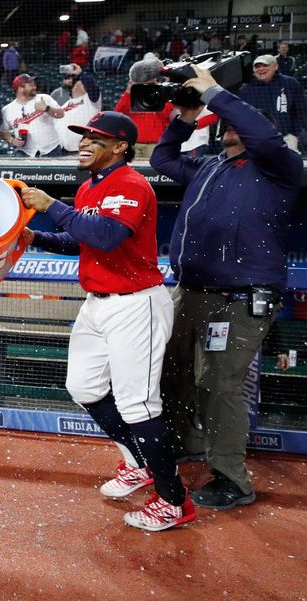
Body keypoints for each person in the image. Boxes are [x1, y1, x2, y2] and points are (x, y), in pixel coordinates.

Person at [18, 111, 195, 531]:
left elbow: (108, 236)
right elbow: (81, 240)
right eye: (82, 136)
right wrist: (36, 237)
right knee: (83, 387)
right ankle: (139, 462)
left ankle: (174, 501)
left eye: (95, 138)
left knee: (137, 403)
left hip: (137, 304)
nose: (83, 142)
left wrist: (51, 206)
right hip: (97, 302)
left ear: (119, 147)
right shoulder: (88, 187)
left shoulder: (131, 184)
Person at [151, 64, 303, 510]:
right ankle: (188, 444)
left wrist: (215, 91)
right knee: (172, 372)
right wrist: (184, 116)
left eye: (240, 122)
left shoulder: (279, 166)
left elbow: (265, 138)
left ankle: (232, 477)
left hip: (240, 296)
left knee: (220, 382)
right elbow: (162, 159)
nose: (233, 128)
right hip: (193, 289)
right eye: (227, 123)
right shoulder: (211, 165)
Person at [239, 54, 307, 151]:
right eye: (257, 67)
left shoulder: (290, 84)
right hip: (255, 139)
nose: (261, 69)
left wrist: (294, 133)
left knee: (286, 166)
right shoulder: (245, 89)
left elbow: (302, 110)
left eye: (265, 65)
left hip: (286, 138)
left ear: (275, 66)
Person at [0, 73, 65, 157]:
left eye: (34, 84)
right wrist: (12, 140)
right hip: (26, 153)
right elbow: (3, 131)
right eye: (31, 85)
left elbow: (61, 114)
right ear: (20, 88)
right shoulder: (7, 110)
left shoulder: (44, 98)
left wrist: (47, 108)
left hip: (51, 150)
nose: (35, 87)